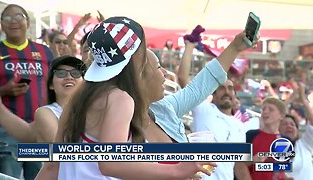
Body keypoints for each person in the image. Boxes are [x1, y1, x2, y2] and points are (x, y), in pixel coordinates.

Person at [36, 16, 257, 180]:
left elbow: (52, 166)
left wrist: (236, 47)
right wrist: (179, 170)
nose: (163, 74)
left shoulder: (81, 98)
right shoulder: (120, 100)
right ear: (137, 67)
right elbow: (110, 163)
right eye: (156, 66)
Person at [0, 4, 53, 179]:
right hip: (5, 131)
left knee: (38, 176)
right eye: (7, 19)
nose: (14, 22)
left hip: (37, 130)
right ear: (2, 25)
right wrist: (4, 90)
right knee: (9, 177)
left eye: (19, 16)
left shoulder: (44, 52)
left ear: (28, 22)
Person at [177, 39, 248, 180]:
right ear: (213, 96)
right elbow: (183, 78)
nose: (226, 92)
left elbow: (238, 166)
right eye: (221, 88)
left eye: (230, 88)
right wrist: (189, 47)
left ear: (235, 95)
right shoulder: (204, 110)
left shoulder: (241, 127)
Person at [0, 55, 86, 143]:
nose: (69, 77)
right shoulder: (46, 112)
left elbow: (28, 134)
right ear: (51, 85)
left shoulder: (93, 111)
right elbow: (60, 151)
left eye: (75, 73)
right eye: (61, 73)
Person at [243, 97, 288, 180]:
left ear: (281, 116)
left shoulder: (284, 141)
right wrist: (252, 160)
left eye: (270, 109)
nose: (265, 112)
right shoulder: (250, 135)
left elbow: (280, 169)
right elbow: (236, 165)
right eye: (263, 109)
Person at [279, 82, 313, 180]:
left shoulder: (305, 144)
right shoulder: (272, 145)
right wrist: (291, 98)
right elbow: (276, 114)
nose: (289, 126)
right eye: (284, 124)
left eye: (292, 124)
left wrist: (303, 100)